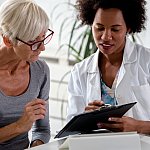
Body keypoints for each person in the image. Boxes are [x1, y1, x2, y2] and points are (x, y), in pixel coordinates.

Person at [67, 0, 150, 134]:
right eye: (99, 28)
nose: (106, 37)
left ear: (128, 28)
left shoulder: (147, 62)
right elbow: (71, 130)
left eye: (115, 29)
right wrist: (84, 118)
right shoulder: (79, 71)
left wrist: (138, 127)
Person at [0, 0, 54, 149]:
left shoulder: (40, 70)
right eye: (33, 41)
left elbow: (42, 130)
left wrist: (37, 145)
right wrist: (19, 126)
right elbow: (23, 126)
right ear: (8, 40)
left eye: (43, 37)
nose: (42, 47)